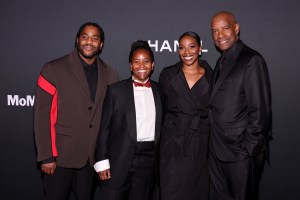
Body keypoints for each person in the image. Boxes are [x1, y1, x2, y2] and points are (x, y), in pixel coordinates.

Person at [34, 22, 118, 200]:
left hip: (90, 159)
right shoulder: (53, 69)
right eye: (85, 37)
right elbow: (42, 116)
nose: (89, 42)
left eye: (95, 38)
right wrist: (47, 156)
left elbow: (109, 119)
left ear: (101, 44)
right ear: (77, 40)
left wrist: (103, 157)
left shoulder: (110, 74)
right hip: (59, 157)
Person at [209, 11, 272, 200]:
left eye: (225, 28)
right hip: (217, 151)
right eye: (215, 31)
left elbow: (260, 111)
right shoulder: (221, 61)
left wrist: (247, 151)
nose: (220, 35)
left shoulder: (252, 60)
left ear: (236, 28)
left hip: (240, 155)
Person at [94, 40, 164, 200]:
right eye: (136, 61)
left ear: (152, 65)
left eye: (146, 61)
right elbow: (104, 128)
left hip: (148, 160)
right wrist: (102, 161)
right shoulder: (115, 91)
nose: (141, 65)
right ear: (130, 65)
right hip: (119, 157)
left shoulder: (160, 90)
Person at [159, 32, 213, 200]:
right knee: (171, 190)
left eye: (192, 46)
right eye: (181, 47)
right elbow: (160, 109)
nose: (186, 52)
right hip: (172, 144)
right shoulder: (168, 75)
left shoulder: (212, 76)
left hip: (199, 143)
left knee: (196, 191)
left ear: (200, 49)